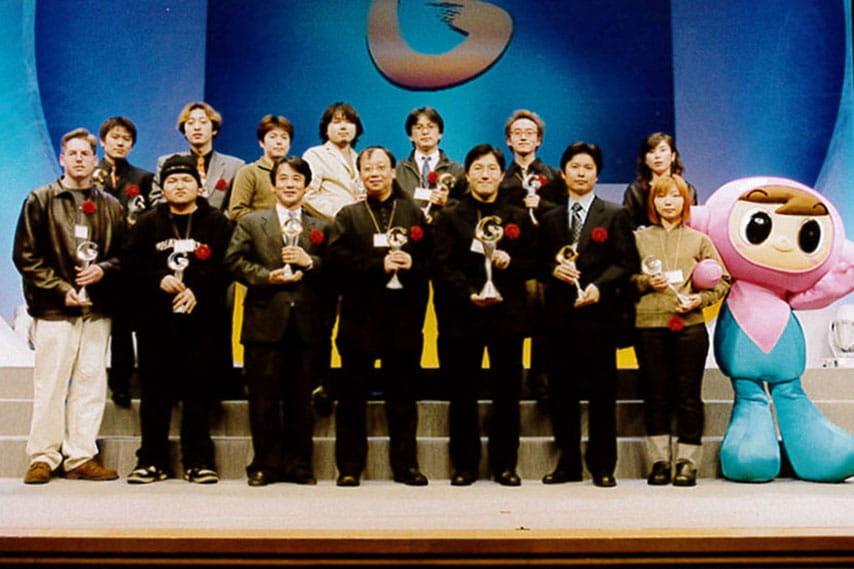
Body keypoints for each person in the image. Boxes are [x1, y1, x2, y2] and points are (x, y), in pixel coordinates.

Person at [13, 128, 125, 484]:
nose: (79, 159)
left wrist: (102, 270)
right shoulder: (40, 199)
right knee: (50, 384)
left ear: (95, 160)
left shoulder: (112, 206)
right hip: (54, 310)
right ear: (62, 158)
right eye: (72, 153)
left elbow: (124, 256)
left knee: (91, 384)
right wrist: (61, 289)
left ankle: (80, 455)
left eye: (85, 154)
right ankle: (43, 456)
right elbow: (26, 256)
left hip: (96, 310)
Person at [123, 155, 233, 484]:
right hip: (156, 323)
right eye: (172, 181)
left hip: (203, 323)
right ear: (163, 188)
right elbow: (130, 265)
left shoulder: (217, 222)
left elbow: (229, 266)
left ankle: (198, 461)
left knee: (198, 392)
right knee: (154, 394)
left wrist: (198, 290)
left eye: (186, 180)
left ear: (199, 186)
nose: (179, 186)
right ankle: (151, 461)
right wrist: (159, 278)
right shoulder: (147, 223)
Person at [432, 144, 535, 486]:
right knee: (462, 395)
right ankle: (465, 466)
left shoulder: (518, 216)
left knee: (507, 395)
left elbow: (534, 263)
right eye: (478, 168)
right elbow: (442, 266)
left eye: (492, 169)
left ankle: (505, 465)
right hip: (463, 316)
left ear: (502, 175)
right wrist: (468, 293)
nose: (485, 175)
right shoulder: (451, 216)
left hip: (507, 316)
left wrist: (511, 261)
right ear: (468, 174)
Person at [327, 146, 430, 487]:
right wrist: (377, 265)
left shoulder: (413, 212)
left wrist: (413, 263)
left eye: (381, 167)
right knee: (351, 398)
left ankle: (406, 465)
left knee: (403, 398)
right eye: (367, 168)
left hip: (403, 320)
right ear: (359, 174)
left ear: (392, 172)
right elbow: (336, 262)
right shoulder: (348, 215)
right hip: (359, 319)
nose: (374, 173)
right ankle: (349, 466)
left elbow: (433, 259)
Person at [225, 156, 331, 486]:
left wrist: (310, 263)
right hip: (263, 322)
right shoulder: (252, 223)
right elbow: (233, 261)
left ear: (307, 186)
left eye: (296, 179)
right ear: (272, 185)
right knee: (263, 400)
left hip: (306, 325)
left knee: (301, 400)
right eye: (283, 178)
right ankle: (265, 465)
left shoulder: (322, 227)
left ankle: (300, 465)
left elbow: (336, 269)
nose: (289, 184)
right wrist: (265, 276)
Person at [538, 142, 638, 488]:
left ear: (597, 175)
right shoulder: (549, 218)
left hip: (599, 319)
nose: (581, 173)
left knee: (602, 396)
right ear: (563, 173)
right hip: (559, 321)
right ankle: (567, 464)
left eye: (588, 168)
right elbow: (537, 261)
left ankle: (603, 466)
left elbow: (626, 262)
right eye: (575, 167)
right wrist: (552, 271)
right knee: (561, 395)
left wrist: (599, 287)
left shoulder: (615, 214)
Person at [632, 174, 730, 487]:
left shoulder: (699, 240)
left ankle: (687, 462)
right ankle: (659, 461)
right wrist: (646, 281)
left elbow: (723, 280)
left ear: (685, 201)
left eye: (675, 196)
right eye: (661, 196)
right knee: (655, 395)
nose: (668, 202)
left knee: (688, 396)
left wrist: (700, 299)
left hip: (689, 327)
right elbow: (624, 278)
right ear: (653, 202)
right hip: (649, 325)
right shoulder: (639, 238)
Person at [497, 110, 564, 406]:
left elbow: (566, 215)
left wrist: (543, 205)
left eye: (529, 133)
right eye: (517, 133)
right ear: (509, 141)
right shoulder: (500, 177)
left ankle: (543, 383)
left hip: (547, 261)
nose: (523, 137)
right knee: (512, 326)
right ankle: (510, 387)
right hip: (512, 263)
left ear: (538, 140)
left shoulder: (555, 177)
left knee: (547, 326)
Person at [93, 116, 155, 409]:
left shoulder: (143, 178)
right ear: (102, 141)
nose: (120, 143)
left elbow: (151, 217)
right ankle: (107, 384)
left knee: (135, 327)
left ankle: (133, 383)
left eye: (126, 139)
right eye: (115, 137)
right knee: (105, 328)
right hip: (98, 262)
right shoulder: (89, 174)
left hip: (134, 265)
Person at [152, 102, 245, 213]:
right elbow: (156, 200)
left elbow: (235, 207)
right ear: (184, 131)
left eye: (203, 122)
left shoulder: (235, 166)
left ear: (214, 129)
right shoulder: (166, 162)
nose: (197, 127)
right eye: (190, 123)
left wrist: (217, 220)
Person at [394, 106, 466, 218]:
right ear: (410, 136)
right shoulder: (397, 170)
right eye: (418, 127)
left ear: (440, 134)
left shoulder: (458, 170)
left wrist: (447, 202)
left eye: (431, 127)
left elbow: (468, 207)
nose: (425, 132)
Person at [302, 102, 365, 223]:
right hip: (327, 226)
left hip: (358, 226)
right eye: (337, 122)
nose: (343, 127)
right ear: (326, 129)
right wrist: (345, 214)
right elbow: (307, 196)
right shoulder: (315, 155)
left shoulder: (360, 158)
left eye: (349, 122)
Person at [622, 132, 698, 229]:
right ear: (645, 160)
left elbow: (690, 221)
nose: (657, 156)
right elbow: (626, 225)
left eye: (662, 150)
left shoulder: (687, 189)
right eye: (651, 152)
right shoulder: (635, 191)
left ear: (673, 156)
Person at [228, 115, 293, 220]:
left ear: (289, 144)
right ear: (261, 142)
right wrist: (268, 223)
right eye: (273, 137)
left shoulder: (296, 174)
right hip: (259, 229)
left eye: (284, 137)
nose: (279, 142)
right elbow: (236, 211)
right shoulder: (249, 172)